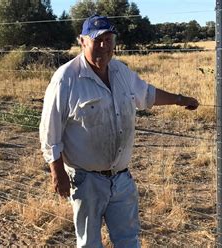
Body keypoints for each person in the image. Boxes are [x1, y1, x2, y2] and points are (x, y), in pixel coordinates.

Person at [39, 15, 199, 247]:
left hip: (121, 177)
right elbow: (49, 129)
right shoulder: (66, 79)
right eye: (97, 40)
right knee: (89, 243)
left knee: (128, 240)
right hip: (86, 180)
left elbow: (147, 95)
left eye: (109, 39)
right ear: (82, 41)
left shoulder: (120, 71)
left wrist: (180, 99)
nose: (104, 46)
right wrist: (57, 171)